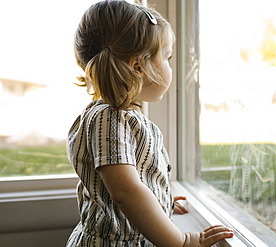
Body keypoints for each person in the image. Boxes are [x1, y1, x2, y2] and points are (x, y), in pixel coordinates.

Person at [66, 1, 234, 246]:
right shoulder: (109, 119)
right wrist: (183, 240)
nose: (170, 66)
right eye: (167, 57)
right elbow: (126, 192)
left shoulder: (116, 117)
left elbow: (129, 184)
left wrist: (158, 201)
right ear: (138, 66)